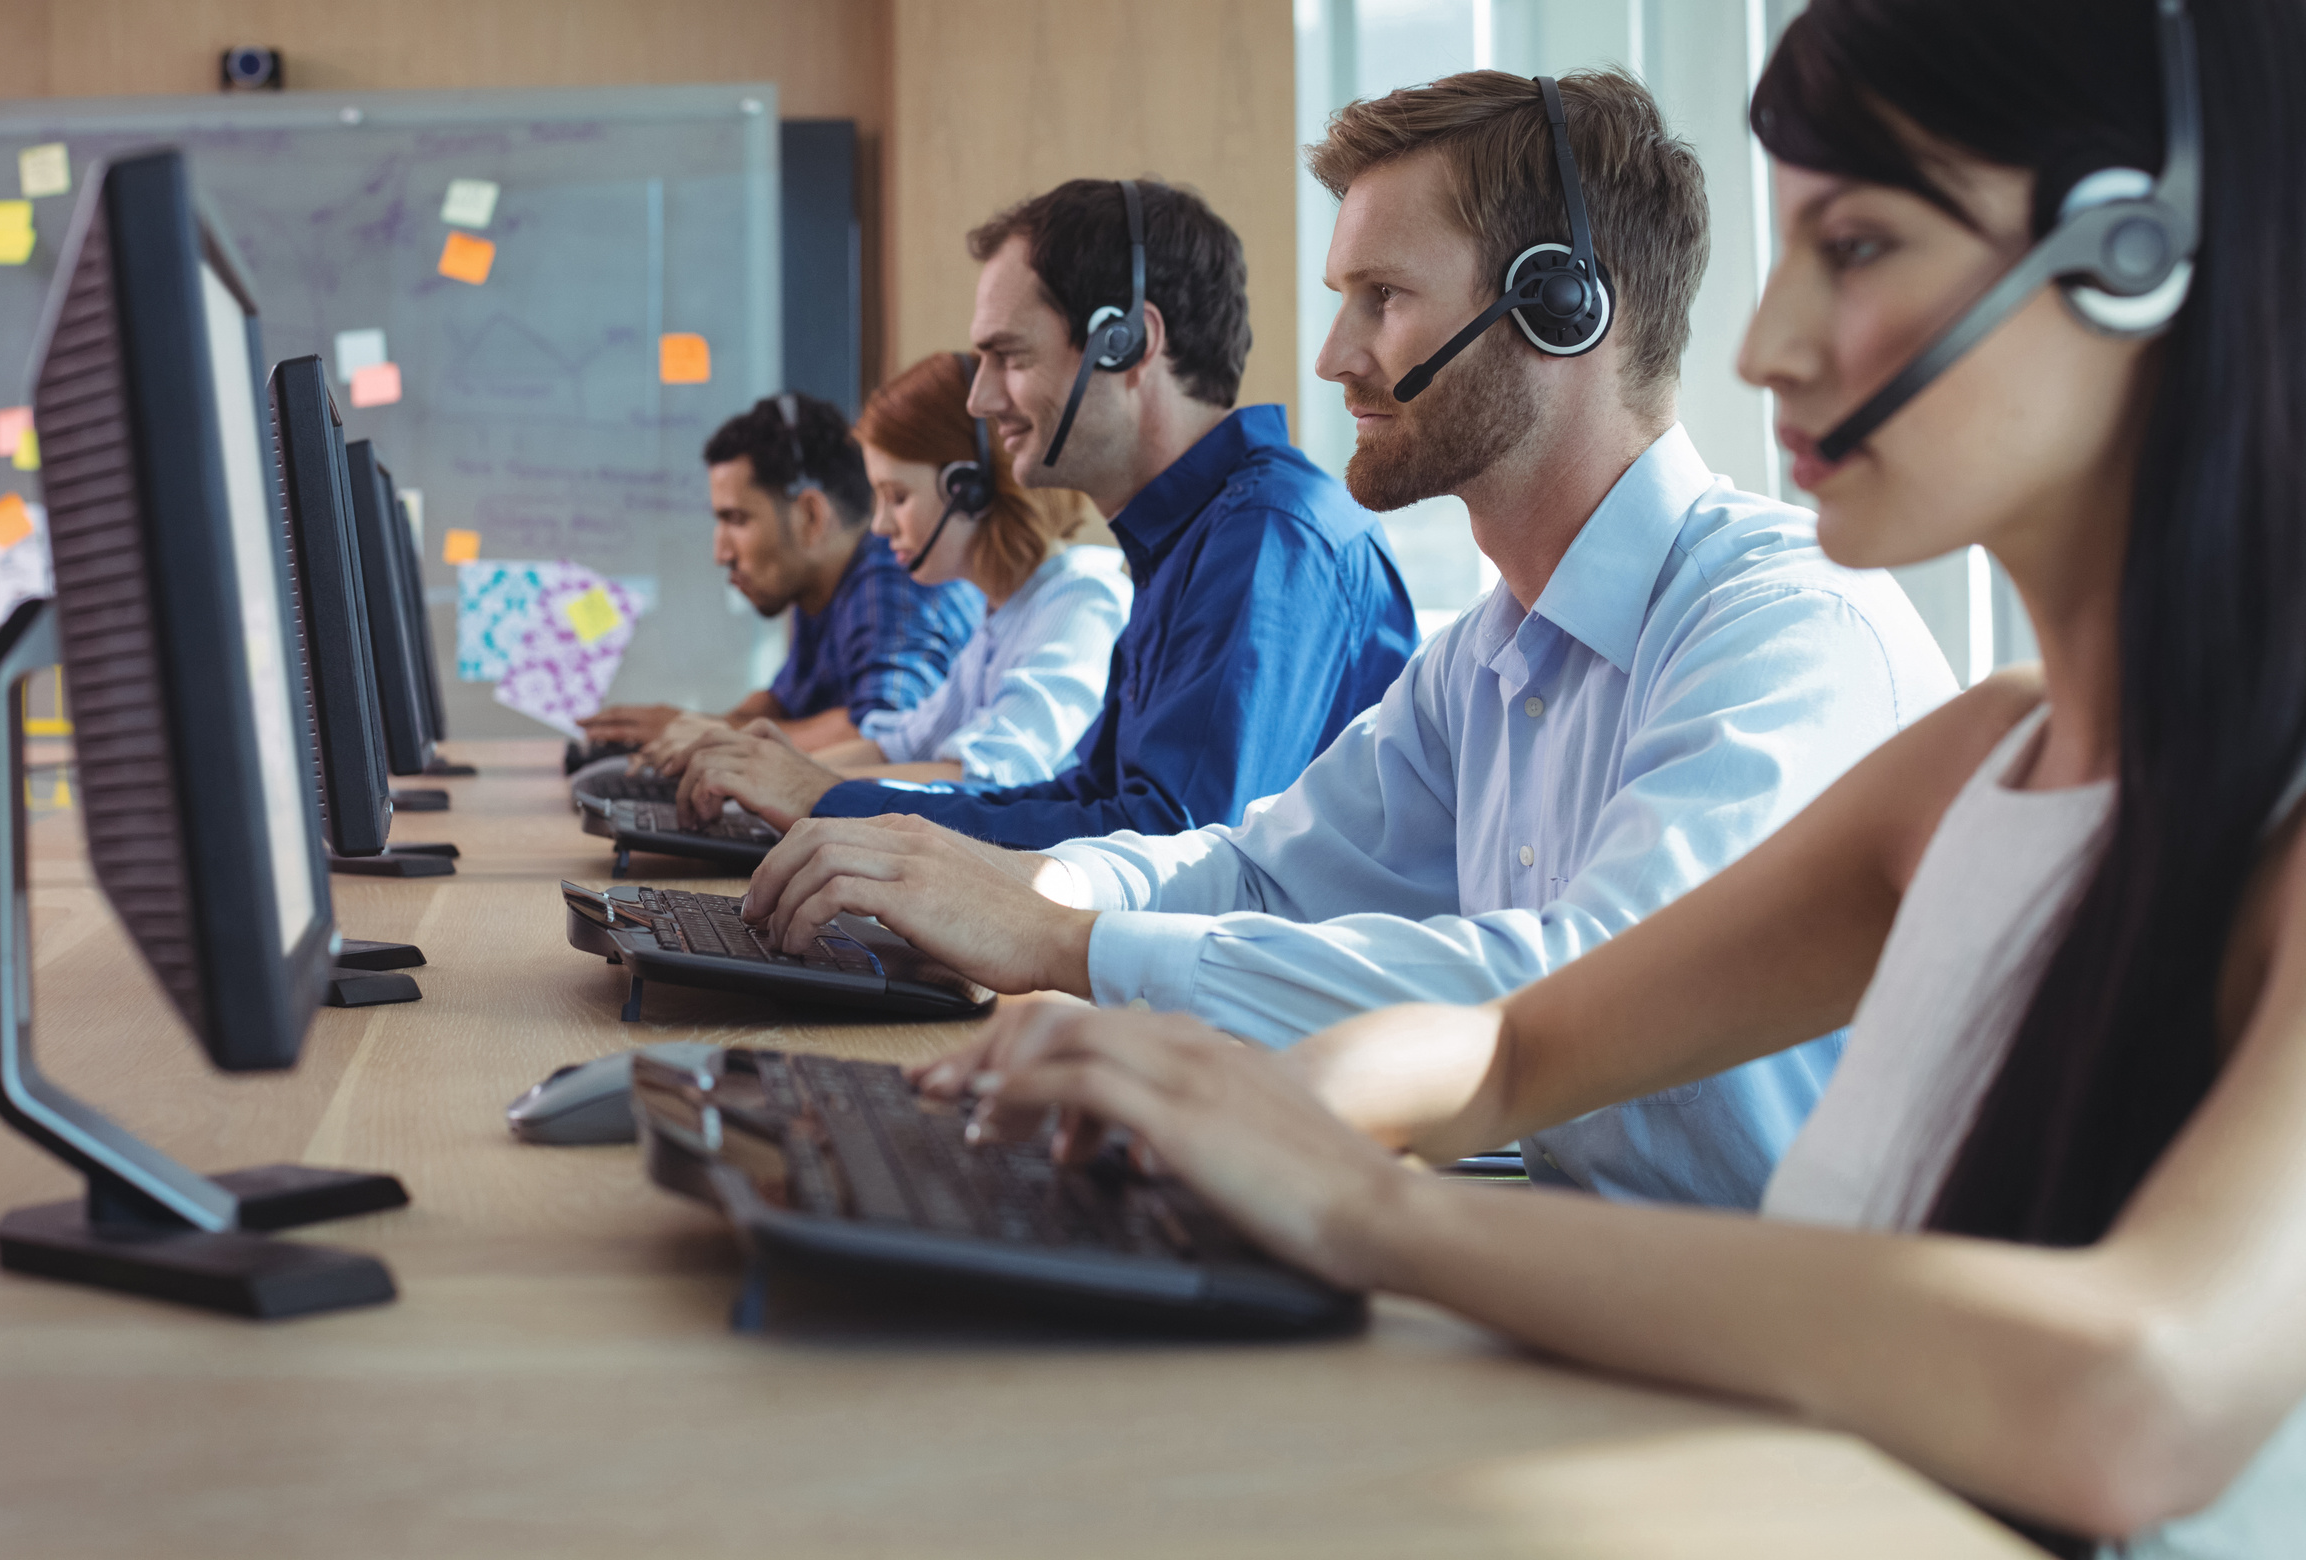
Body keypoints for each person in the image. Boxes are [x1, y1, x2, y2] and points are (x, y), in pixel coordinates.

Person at [902, 0, 2306, 1555]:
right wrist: (1190, 1107)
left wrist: (1358, 1208)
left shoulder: (2230, 812)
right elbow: (1521, 1041)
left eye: (1854, 247)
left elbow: (2130, 1397)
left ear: (2136, 261)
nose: (1771, 344)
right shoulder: (1975, 767)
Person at [745, 69, 1954, 1207]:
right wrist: (1016, 886)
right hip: (1574, 1267)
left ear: (1561, 305)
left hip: (1772, 1355)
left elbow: (1581, 991)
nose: (1331, 359)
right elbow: (1263, 870)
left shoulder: (1788, 629)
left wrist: (1069, 940)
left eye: (1383, 299)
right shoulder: (1487, 656)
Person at [791, 179, 1419, 845]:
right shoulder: (1186, 539)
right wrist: (838, 802)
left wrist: (832, 804)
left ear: (1127, 343)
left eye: (1009, 357)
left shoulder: (1269, 536)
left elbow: (1167, 847)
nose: (978, 399)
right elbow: (1089, 798)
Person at [673, 351, 1131, 827]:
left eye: (898, 497)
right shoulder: (1005, 616)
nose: (880, 524)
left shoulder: (1080, 601)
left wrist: (804, 785)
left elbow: (987, 777)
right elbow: (897, 744)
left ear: (969, 489)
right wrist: (763, 767)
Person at [581, 393, 978, 767]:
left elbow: (878, 741)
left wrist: (710, 734)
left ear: (810, 517)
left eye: (737, 520)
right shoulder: (819, 585)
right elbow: (783, 704)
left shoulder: (892, 587)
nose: (721, 553)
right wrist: (692, 727)